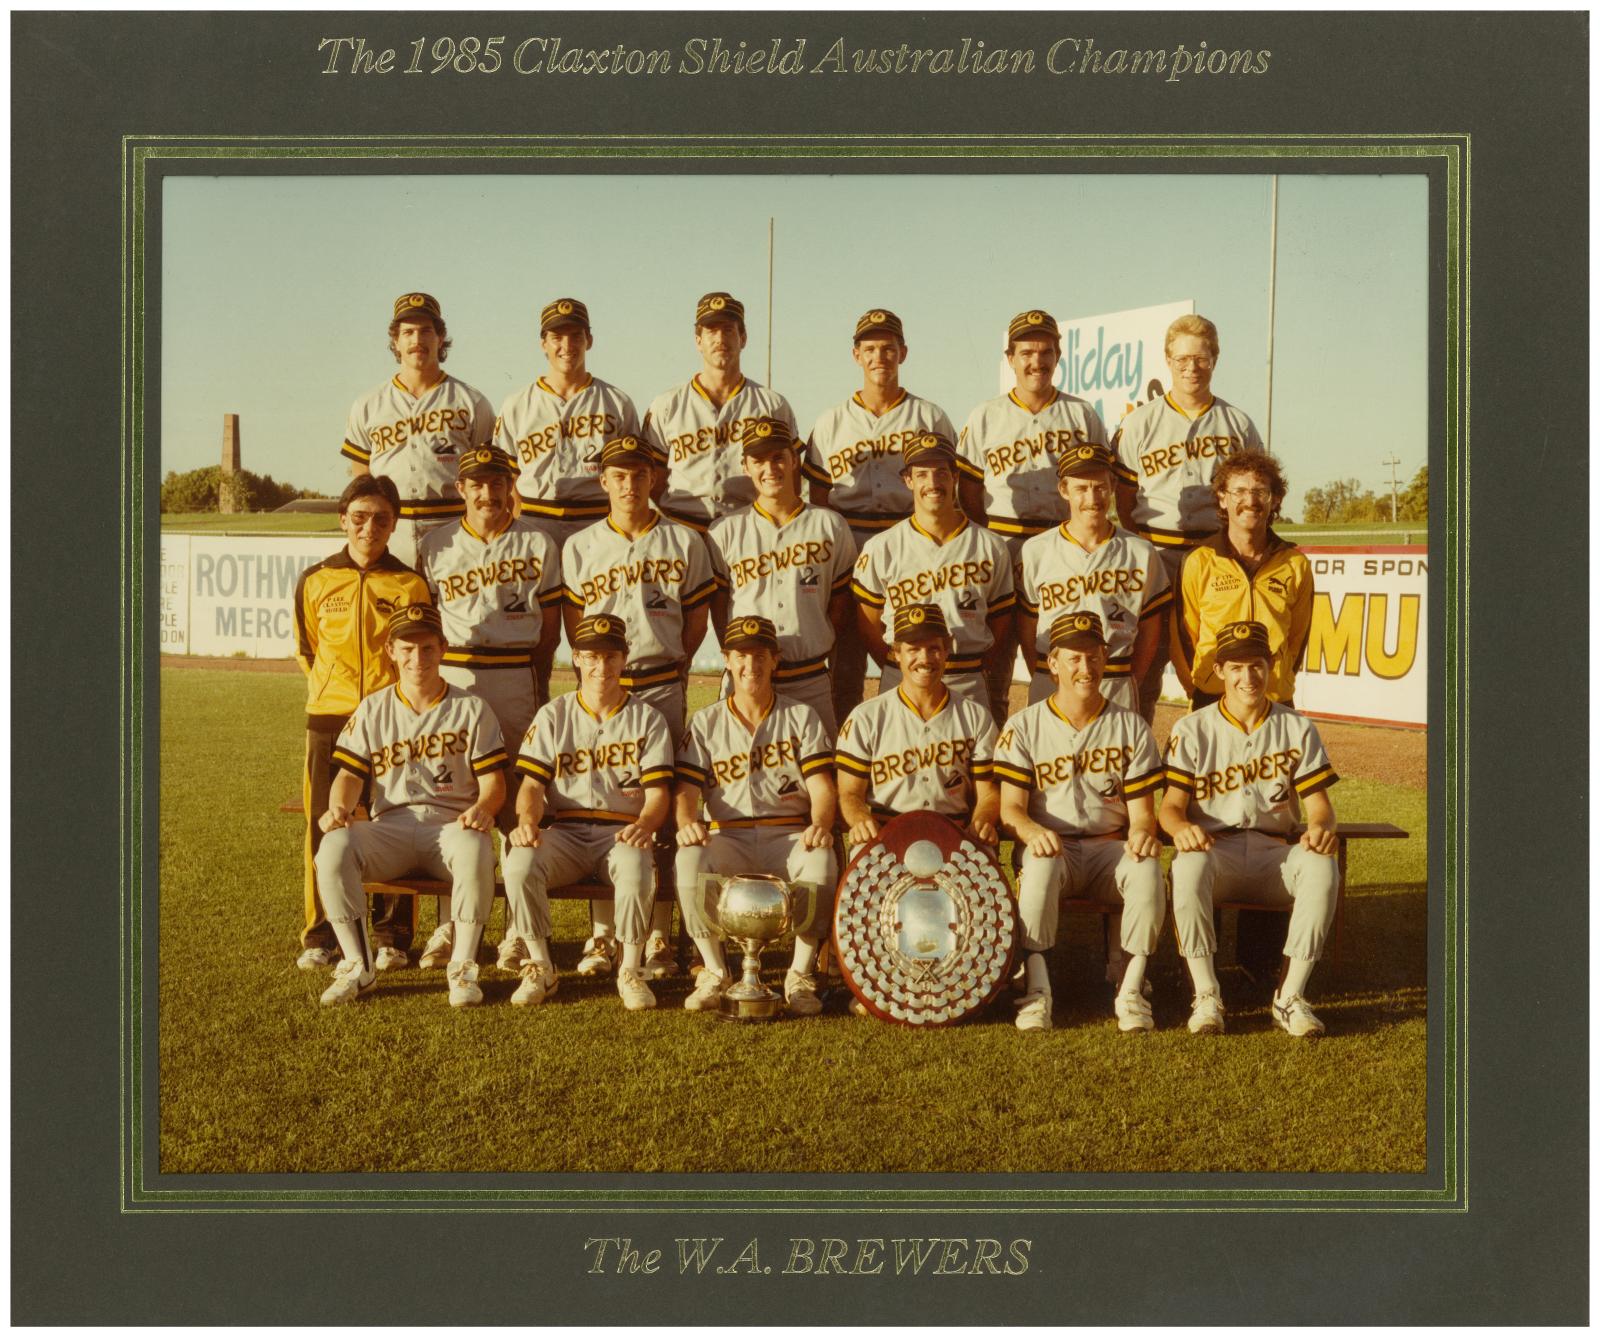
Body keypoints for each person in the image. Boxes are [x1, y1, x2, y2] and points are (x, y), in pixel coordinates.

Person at [563, 434, 716, 980]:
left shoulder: (686, 541)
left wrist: (674, 661)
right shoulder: (579, 546)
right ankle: (604, 935)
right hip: (601, 688)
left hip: (659, 684)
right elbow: (575, 626)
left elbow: (696, 621)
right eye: (618, 475)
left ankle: (659, 935)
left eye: (639, 474)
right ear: (603, 481)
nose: (629, 484)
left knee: (666, 808)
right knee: (602, 799)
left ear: (655, 478)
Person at [414, 445, 563, 974]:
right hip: (455, 674)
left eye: (496, 482)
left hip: (514, 671)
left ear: (510, 485)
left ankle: (518, 931)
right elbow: (427, 622)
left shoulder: (538, 542)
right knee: (452, 796)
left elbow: (550, 625)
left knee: (514, 800)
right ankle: (449, 924)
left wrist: (536, 677)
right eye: (476, 483)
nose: (486, 492)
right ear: (461, 488)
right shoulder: (435, 544)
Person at [313, 604, 506, 1007]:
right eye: (408, 648)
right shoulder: (373, 707)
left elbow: (494, 783)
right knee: (332, 848)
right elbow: (349, 775)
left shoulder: (472, 708)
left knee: (475, 848)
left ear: (443, 649)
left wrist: (485, 806)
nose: (418, 658)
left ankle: (463, 968)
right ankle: (356, 965)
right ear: (392, 651)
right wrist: (340, 809)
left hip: (450, 826)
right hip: (391, 825)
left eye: (427, 648)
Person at [1160, 620, 1342, 1038]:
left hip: (1273, 855)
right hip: (1216, 853)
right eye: (1237, 667)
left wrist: (1318, 830)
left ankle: (1289, 996)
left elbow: (1321, 809)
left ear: (1271, 665)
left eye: (1257, 665)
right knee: (1187, 866)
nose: (1248, 677)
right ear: (1220, 670)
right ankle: (1206, 994)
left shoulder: (1296, 727)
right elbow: (1169, 808)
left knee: (1320, 866)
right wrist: (1181, 827)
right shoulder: (1192, 727)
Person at [994, 611, 1166, 1033]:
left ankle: (1131, 988)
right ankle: (1036, 990)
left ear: (1105, 658)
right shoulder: (1024, 726)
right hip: (1056, 848)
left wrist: (1142, 835)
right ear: (1052, 663)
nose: (1084, 668)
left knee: (1147, 872)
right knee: (1038, 868)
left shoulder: (1131, 726)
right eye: (1073, 658)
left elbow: (1143, 813)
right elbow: (1010, 808)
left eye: (1092, 657)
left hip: (1111, 846)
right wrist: (1033, 831)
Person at [500, 614, 676, 1012]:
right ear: (576, 658)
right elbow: (530, 786)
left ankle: (630, 969)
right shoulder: (553, 715)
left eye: (611, 656)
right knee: (519, 863)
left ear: (624, 659)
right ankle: (539, 966)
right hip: (567, 831)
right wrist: (527, 823)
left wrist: (646, 824)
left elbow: (657, 793)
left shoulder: (647, 718)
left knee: (635, 867)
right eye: (592, 656)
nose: (602, 667)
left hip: (620, 830)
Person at [292, 475, 430, 974]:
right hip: (328, 719)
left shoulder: (409, 583)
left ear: (393, 525)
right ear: (342, 519)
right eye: (359, 517)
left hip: (391, 720)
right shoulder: (316, 579)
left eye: (381, 519)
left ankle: (392, 935)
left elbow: (418, 651)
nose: (369, 527)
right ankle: (321, 933)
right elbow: (308, 648)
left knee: (395, 817)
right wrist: (336, 695)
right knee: (323, 825)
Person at [673, 616, 838, 1015]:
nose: (752, 665)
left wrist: (821, 824)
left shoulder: (801, 716)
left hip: (787, 834)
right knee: (689, 857)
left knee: (820, 859)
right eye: (742, 656)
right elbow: (687, 791)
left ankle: (799, 975)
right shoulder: (706, 721)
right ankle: (714, 971)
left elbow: (822, 788)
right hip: (727, 835)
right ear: (727, 660)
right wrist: (685, 821)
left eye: (760, 655)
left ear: (775, 660)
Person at [802, 308, 956, 727]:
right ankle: (848, 753)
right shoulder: (832, 421)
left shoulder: (929, 417)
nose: (879, 357)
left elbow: (948, 486)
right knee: (846, 659)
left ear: (903, 352)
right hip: (849, 536)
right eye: (870, 349)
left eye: (888, 348)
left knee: (912, 643)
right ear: (856, 355)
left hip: (909, 539)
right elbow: (818, 500)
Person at [956, 308, 1110, 724]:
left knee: (1060, 653)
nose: (1035, 361)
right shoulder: (985, 415)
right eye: (1026, 352)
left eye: (1045, 351)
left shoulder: (1082, 415)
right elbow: (969, 492)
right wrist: (988, 544)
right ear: (1010, 358)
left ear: (1059, 355)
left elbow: (1101, 481)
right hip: (1004, 541)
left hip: (1064, 545)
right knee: (997, 661)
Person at [1111, 313, 1263, 723]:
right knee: (1146, 667)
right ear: (1167, 360)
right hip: (1157, 550)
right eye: (1181, 360)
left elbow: (1255, 490)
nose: (1191, 368)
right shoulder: (1140, 422)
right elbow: (1124, 496)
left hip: (1216, 554)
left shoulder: (1238, 423)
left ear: (1215, 359)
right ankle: (1139, 767)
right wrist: (1141, 545)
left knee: (1219, 662)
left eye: (1200, 358)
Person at [708, 417, 857, 736]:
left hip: (809, 676)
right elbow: (719, 606)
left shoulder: (830, 526)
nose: (770, 468)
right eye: (759, 460)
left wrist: (822, 634)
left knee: (819, 773)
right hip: (746, 677)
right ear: (745, 466)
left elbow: (842, 600)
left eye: (778, 457)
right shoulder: (725, 532)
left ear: (794, 460)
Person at [850, 432, 1015, 715]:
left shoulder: (990, 545)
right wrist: (897, 664)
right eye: (922, 474)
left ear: (955, 477)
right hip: (902, 679)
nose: (933, 483)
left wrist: (978, 663)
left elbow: (1001, 621)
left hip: (967, 677)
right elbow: (868, 623)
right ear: (908, 480)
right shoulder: (883, 547)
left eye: (941, 473)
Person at [341, 292, 495, 567]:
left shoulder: (472, 401)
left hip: (453, 525)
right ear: (395, 341)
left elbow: (488, 475)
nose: (417, 340)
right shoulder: (368, 404)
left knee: (454, 609)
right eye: (408, 332)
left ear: (440, 338)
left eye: (426, 331)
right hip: (391, 528)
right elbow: (361, 475)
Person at [1016, 444, 1170, 713]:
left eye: (1100, 487)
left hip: (1115, 679)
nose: (1092, 498)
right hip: (1052, 679)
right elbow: (1028, 626)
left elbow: (1151, 627)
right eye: (1081, 488)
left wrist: (1133, 678)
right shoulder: (1035, 550)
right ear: (1064, 490)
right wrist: (1045, 672)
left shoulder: (1140, 551)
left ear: (1112, 486)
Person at [835, 604, 1000, 850]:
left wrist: (982, 820)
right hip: (887, 836)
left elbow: (989, 793)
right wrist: (859, 818)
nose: (924, 659)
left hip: (955, 835)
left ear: (946, 650)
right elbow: (849, 793)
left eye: (933, 648)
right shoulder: (866, 717)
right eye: (913, 649)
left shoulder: (976, 717)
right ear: (896, 653)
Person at [491, 296, 641, 554]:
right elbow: (505, 477)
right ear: (543, 344)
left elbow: (637, 473)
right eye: (557, 337)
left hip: (596, 522)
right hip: (534, 520)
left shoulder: (617, 402)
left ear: (589, 341)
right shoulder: (517, 403)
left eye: (575, 336)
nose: (567, 345)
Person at [640, 292, 799, 533]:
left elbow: (791, 475)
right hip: (683, 527)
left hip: (747, 528)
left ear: (743, 338)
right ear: (698, 341)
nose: (720, 339)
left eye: (728, 330)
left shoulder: (771, 404)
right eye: (711, 331)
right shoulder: (667, 405)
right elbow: (652, 476)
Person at [1172, 450, 1313, 709]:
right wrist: (1201, 684)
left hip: (1273, 697)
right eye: (1239, 491)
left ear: (1275, 499)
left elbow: (1297, 640)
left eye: (1260, 491)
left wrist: (1278, 678)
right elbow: (1185, 636)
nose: (1250, 501)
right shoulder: (1199, 561)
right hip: (1213, 695)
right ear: (1222, 498)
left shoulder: (1295, 565)